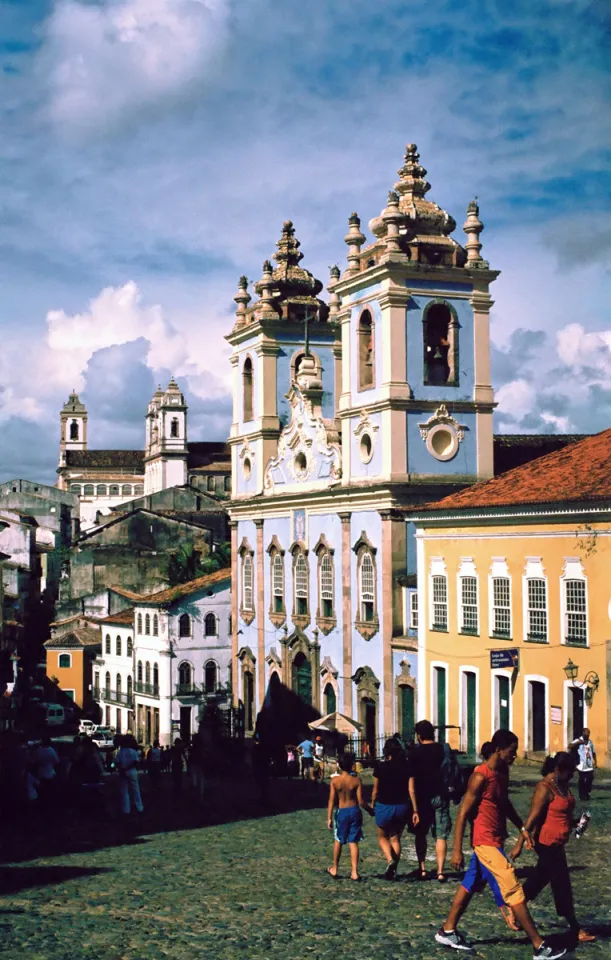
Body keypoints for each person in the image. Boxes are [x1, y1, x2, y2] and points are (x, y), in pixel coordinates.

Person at [436, 729, 566, 959]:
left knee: (469, 885)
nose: (515, 756)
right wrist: (456, 850)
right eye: (512, 752)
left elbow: (504, 804)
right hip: (484, 841)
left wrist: (522, 829)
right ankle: (539, 945)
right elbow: (463, 813)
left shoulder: (503, 772)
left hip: (495, 839)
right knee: (512, 887)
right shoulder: (479, 776)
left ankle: (447, 930)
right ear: (498, 750)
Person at [511, 752, 595, 944]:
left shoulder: (562, 786)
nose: (573, 775)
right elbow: (532, 818)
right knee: (561, 884)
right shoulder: (545, 788)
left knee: (541, 879)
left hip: (559, 842)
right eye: (570, 771)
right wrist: (520, 844)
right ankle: (575, 928)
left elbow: (562, 815)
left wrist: (577, 823)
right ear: (559, 769)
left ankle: (515, 905)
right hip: (547, 843)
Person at [409, 719, 452, 881]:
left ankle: (423, 869)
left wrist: (413, 808)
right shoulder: (443, 749)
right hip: (440, 795)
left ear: (419, 735)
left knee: (421, 834)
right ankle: (440, 871)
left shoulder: (414, 753)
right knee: (441, 835)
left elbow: (411, 782)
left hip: (421, 798)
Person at [372, 737, 418, 880]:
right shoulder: (407, 767)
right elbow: (411, 790)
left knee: (382, 837)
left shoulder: (380, 766)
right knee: (395, 838)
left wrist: (372, 805)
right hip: (402, 807)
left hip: (384, 805)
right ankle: (394, 870)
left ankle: (390, 860)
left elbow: (375, 790)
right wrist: (415, 810)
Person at [326, 752, 372, 881]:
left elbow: (331, 800)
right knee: (353, 841)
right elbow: (361, 801)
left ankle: (335, 867)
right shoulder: (356, 780)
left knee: (338, 840)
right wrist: (370, 810)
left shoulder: (335, 781)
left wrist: (329, 817)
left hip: (342, 811)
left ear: (339, 765)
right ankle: (354, 871)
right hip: (354, 810)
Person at [115, 734, 143, 817]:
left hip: (123, 772)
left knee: (124, 790)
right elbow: (136, 762)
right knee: (135, 789)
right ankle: (139, 807)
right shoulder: (133, 751)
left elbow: (117, 762)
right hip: (132, 771)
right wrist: (128, 767)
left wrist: (122, 768)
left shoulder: (121, 751)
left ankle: (126, 809)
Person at [569, 728, 596, 802]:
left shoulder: (590, 742)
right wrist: (578, 743)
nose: (587, 734)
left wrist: (595, 762)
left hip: (589, 764)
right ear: (583, 733)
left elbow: (593, 752)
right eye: (586, 733)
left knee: (590, 778)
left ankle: (587, 792)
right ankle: (582, 795)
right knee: (582, 780)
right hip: (581, 764)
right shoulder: (578, 740)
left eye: (588, 733)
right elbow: (570, 746)